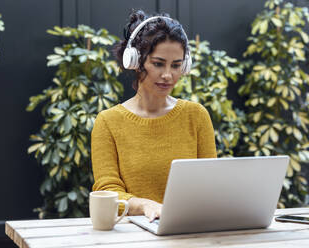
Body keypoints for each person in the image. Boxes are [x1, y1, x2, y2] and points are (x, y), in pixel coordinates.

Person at [91, 10, 217, 222]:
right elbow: (109, 191)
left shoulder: (196, 116)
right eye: (158, 63)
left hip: (190, 231)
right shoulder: (108, 122)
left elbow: (211, 183)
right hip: (134, 234)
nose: (168, 75)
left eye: (176, 65)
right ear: (135, 61)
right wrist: (145, 205)